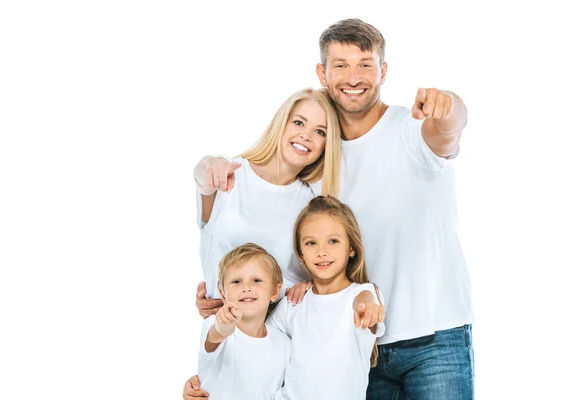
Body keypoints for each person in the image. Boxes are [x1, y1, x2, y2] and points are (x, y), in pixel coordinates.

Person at [186, 18, 474, 399]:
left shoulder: (412, 129)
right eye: (341, 65)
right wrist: (226, 289)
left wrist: (449, 105)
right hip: (355, 345)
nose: (353, 77)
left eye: (365, 64)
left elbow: (448, 131)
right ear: (323, 73)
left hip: (434, 334)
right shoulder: (316, 171)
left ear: (383, 71)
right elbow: (267, 243)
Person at [193, 87, 341, 314]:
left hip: (277, 334)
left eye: (320, 132)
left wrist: (308, 288)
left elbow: (320, 269)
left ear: (326, 146)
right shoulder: (231, 174)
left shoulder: (310, 204)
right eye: (299, 123)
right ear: (281, 123)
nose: (306, 136)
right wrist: (209, 164)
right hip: (222, 335)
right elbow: (202, 176)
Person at [269, 195, 385, 399]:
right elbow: (257, 342)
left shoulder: (361, 293)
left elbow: (366, 301)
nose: (321, 252)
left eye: (333, 241)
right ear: (301, 253)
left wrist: (367, 308)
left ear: (351, 248)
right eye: (311, 243)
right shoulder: (294, 302)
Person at [198, 243, 290, 400]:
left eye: (256, 280)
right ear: (223, 293)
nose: (246, 287)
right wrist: (222, 328)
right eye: (236, 281)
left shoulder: (283, 344)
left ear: (274, 292)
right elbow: (214, 338)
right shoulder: (215, 325)